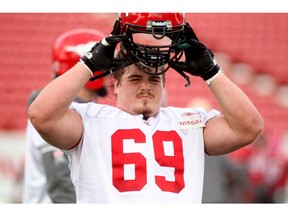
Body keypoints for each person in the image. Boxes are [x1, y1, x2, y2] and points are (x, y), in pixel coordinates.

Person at [28, 13, 264, 203]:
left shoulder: (188, 121)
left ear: (163, 85)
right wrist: (89, 64)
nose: (145, 87)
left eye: (154, 80)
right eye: (134, 79)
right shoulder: (90, 119)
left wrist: (211, 71)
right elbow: (41, 116)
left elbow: (249, 128)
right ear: (116, 84)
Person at [22, 28, 107, 203]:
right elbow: (62, 183)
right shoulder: (57, 113)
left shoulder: (74, 109)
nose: (109, 74)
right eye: (105, 65)